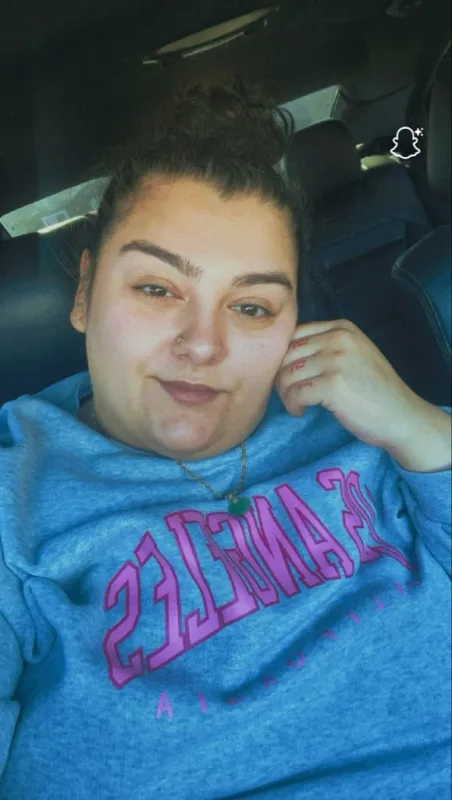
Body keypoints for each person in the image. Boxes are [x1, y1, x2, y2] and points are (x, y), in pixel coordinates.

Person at [0, 79, 451, 800]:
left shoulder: (362, 416)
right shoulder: (13, 500)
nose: (204, 345)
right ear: (84, 293)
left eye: (252, 306)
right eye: (157, 289)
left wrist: (419, 426)